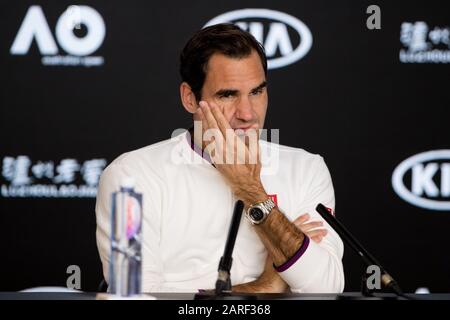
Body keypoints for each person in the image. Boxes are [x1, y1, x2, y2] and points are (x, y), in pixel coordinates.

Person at [95, 23, 344, 293]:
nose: (248, 114)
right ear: (189, 98)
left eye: (257, 92)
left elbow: (326, 288)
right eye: (228, 95)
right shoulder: (129, 177)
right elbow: (133, 298)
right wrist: (264, 286)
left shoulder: (307, 169)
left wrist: (251, 192)